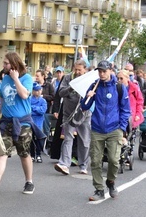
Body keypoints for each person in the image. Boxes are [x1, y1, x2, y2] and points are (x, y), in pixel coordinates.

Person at [82, 61, 130, 201]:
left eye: (104, 71)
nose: (102, 74)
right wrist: (88, 96)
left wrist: (121, 127)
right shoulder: (94, 86)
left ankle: (110, 181)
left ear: (110, 70)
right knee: (96, 161)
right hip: (97, 128)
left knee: (114, 160)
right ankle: (99, 189)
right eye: (100, 71)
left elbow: (126, 110)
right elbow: (84, 107)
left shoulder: (119, 87)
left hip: (114, 129)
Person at [0, 52, 35, 195]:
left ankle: (29, 181)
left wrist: (16, 79)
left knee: (23, 153)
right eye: (3, 63)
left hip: (23, 123)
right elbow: (3, 99)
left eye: (6, 63)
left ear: (14, 64)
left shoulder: (26, 78)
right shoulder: (4, 79)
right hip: (7, 122)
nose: (3, 66)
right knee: (1, 153)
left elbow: (24, 95)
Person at [52, 60, 91, 176]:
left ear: (85, 69)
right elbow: (60, 93)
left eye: (80, 70)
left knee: (84, 141)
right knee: (67, 138)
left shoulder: (88, 79)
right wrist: (71, 88)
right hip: (68, 113)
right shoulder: (68, 78)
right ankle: (64, 164)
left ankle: (83, 165)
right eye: (76, 69)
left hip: (84, 113)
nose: (77, 72)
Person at [30, 83, 47, 163]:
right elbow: (28, 110)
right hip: (31, 121)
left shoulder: (43, 101)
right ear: (33, 91)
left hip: (39, 122)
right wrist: (37, 109)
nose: (38, 92)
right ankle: (32, 155)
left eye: (39, 90)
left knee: (39, 139)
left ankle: (39, 154)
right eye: (36, 90)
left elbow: (42, 111)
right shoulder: (29, 99)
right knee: (31, 139)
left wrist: (33, 108)